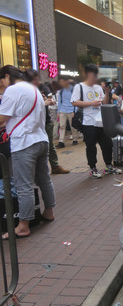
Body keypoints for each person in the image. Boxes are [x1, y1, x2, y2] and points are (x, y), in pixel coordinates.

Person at [0, 65, 56, 239]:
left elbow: (2, 118)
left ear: (6, 76)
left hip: (24, 143)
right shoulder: (34, 89)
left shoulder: (12, 90)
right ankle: (49, 211)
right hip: (41, 140)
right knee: (44, 180)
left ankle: (23, 225)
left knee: (23, 185)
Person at [71, 64, 122, 178]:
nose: (95, 78)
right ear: (87, 74)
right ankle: (93, 168)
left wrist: (107, 93)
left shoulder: (98, 87)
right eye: (93, 75)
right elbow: (74, 102)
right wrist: (91, 103)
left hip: (100, 121)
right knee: (91, 146)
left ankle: (109, 166)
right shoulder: (79, 87)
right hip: (87, 122)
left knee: (107, 144)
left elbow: (104, 103)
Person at [25, 70, 70, 174]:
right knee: (35, 147)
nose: (36, 81)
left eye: (37, 78)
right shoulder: (25, 90)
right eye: (33, 79)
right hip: (32, 123)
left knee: (49, 145)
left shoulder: (42, 87)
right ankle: (37, 170)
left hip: (45, 121)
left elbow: (52, 100)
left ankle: (54, 166)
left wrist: (46, 101)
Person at [56, 76, 79, 148]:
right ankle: (61, 141)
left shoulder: (73, 90)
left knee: (73, 126)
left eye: (62, 82)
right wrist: (58, 112)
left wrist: (74, 111)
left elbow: (76, 100)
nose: (61, 83)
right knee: (62, 126)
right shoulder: (61, 91)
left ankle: (75, 139)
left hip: (71, 110)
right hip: (62, 110)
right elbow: (59, 102)